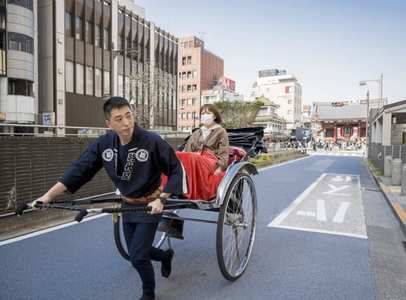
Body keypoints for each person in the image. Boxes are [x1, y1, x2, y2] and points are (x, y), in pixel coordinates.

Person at [30, 97, 186, 300]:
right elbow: (79, 169)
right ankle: (165, 256)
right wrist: (48, 196)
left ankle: (148, 294)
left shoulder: (152, 141)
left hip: (150, 204)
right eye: (119, 119)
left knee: (138, 257)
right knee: (134, 253)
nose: (126, 123)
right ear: (109, 124)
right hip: (127, 205)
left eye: (129, 116)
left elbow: (175, 170)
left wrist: (162, 199)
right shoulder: (104, 144)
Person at [169, 104, 229, 200]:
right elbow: (188, 150)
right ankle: (171, 187)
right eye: (203, 113)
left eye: (208, 113)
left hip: (211, 159)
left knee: (192, 157)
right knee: (175, 155)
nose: (205, 115)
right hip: (194, 157)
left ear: (214, 116)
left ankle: (185, 191)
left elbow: (224, 152)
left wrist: (220, 167)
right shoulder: (197, 132)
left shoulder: (221, 131)